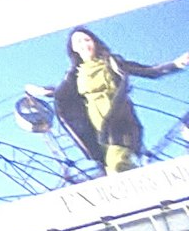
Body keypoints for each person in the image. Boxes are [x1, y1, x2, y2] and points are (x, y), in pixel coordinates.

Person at [50, 31, 181, 176]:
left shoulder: (111, 62)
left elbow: (148, 71)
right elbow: (63, 93)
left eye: (87, 40)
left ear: (94, 42)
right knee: (109, 168)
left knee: (117, 163)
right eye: (78, 42)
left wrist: (175, 64)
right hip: (95, 126)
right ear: (73, 48)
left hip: (119, 118)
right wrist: (43, 91)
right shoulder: (75, 74)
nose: (84, 45)